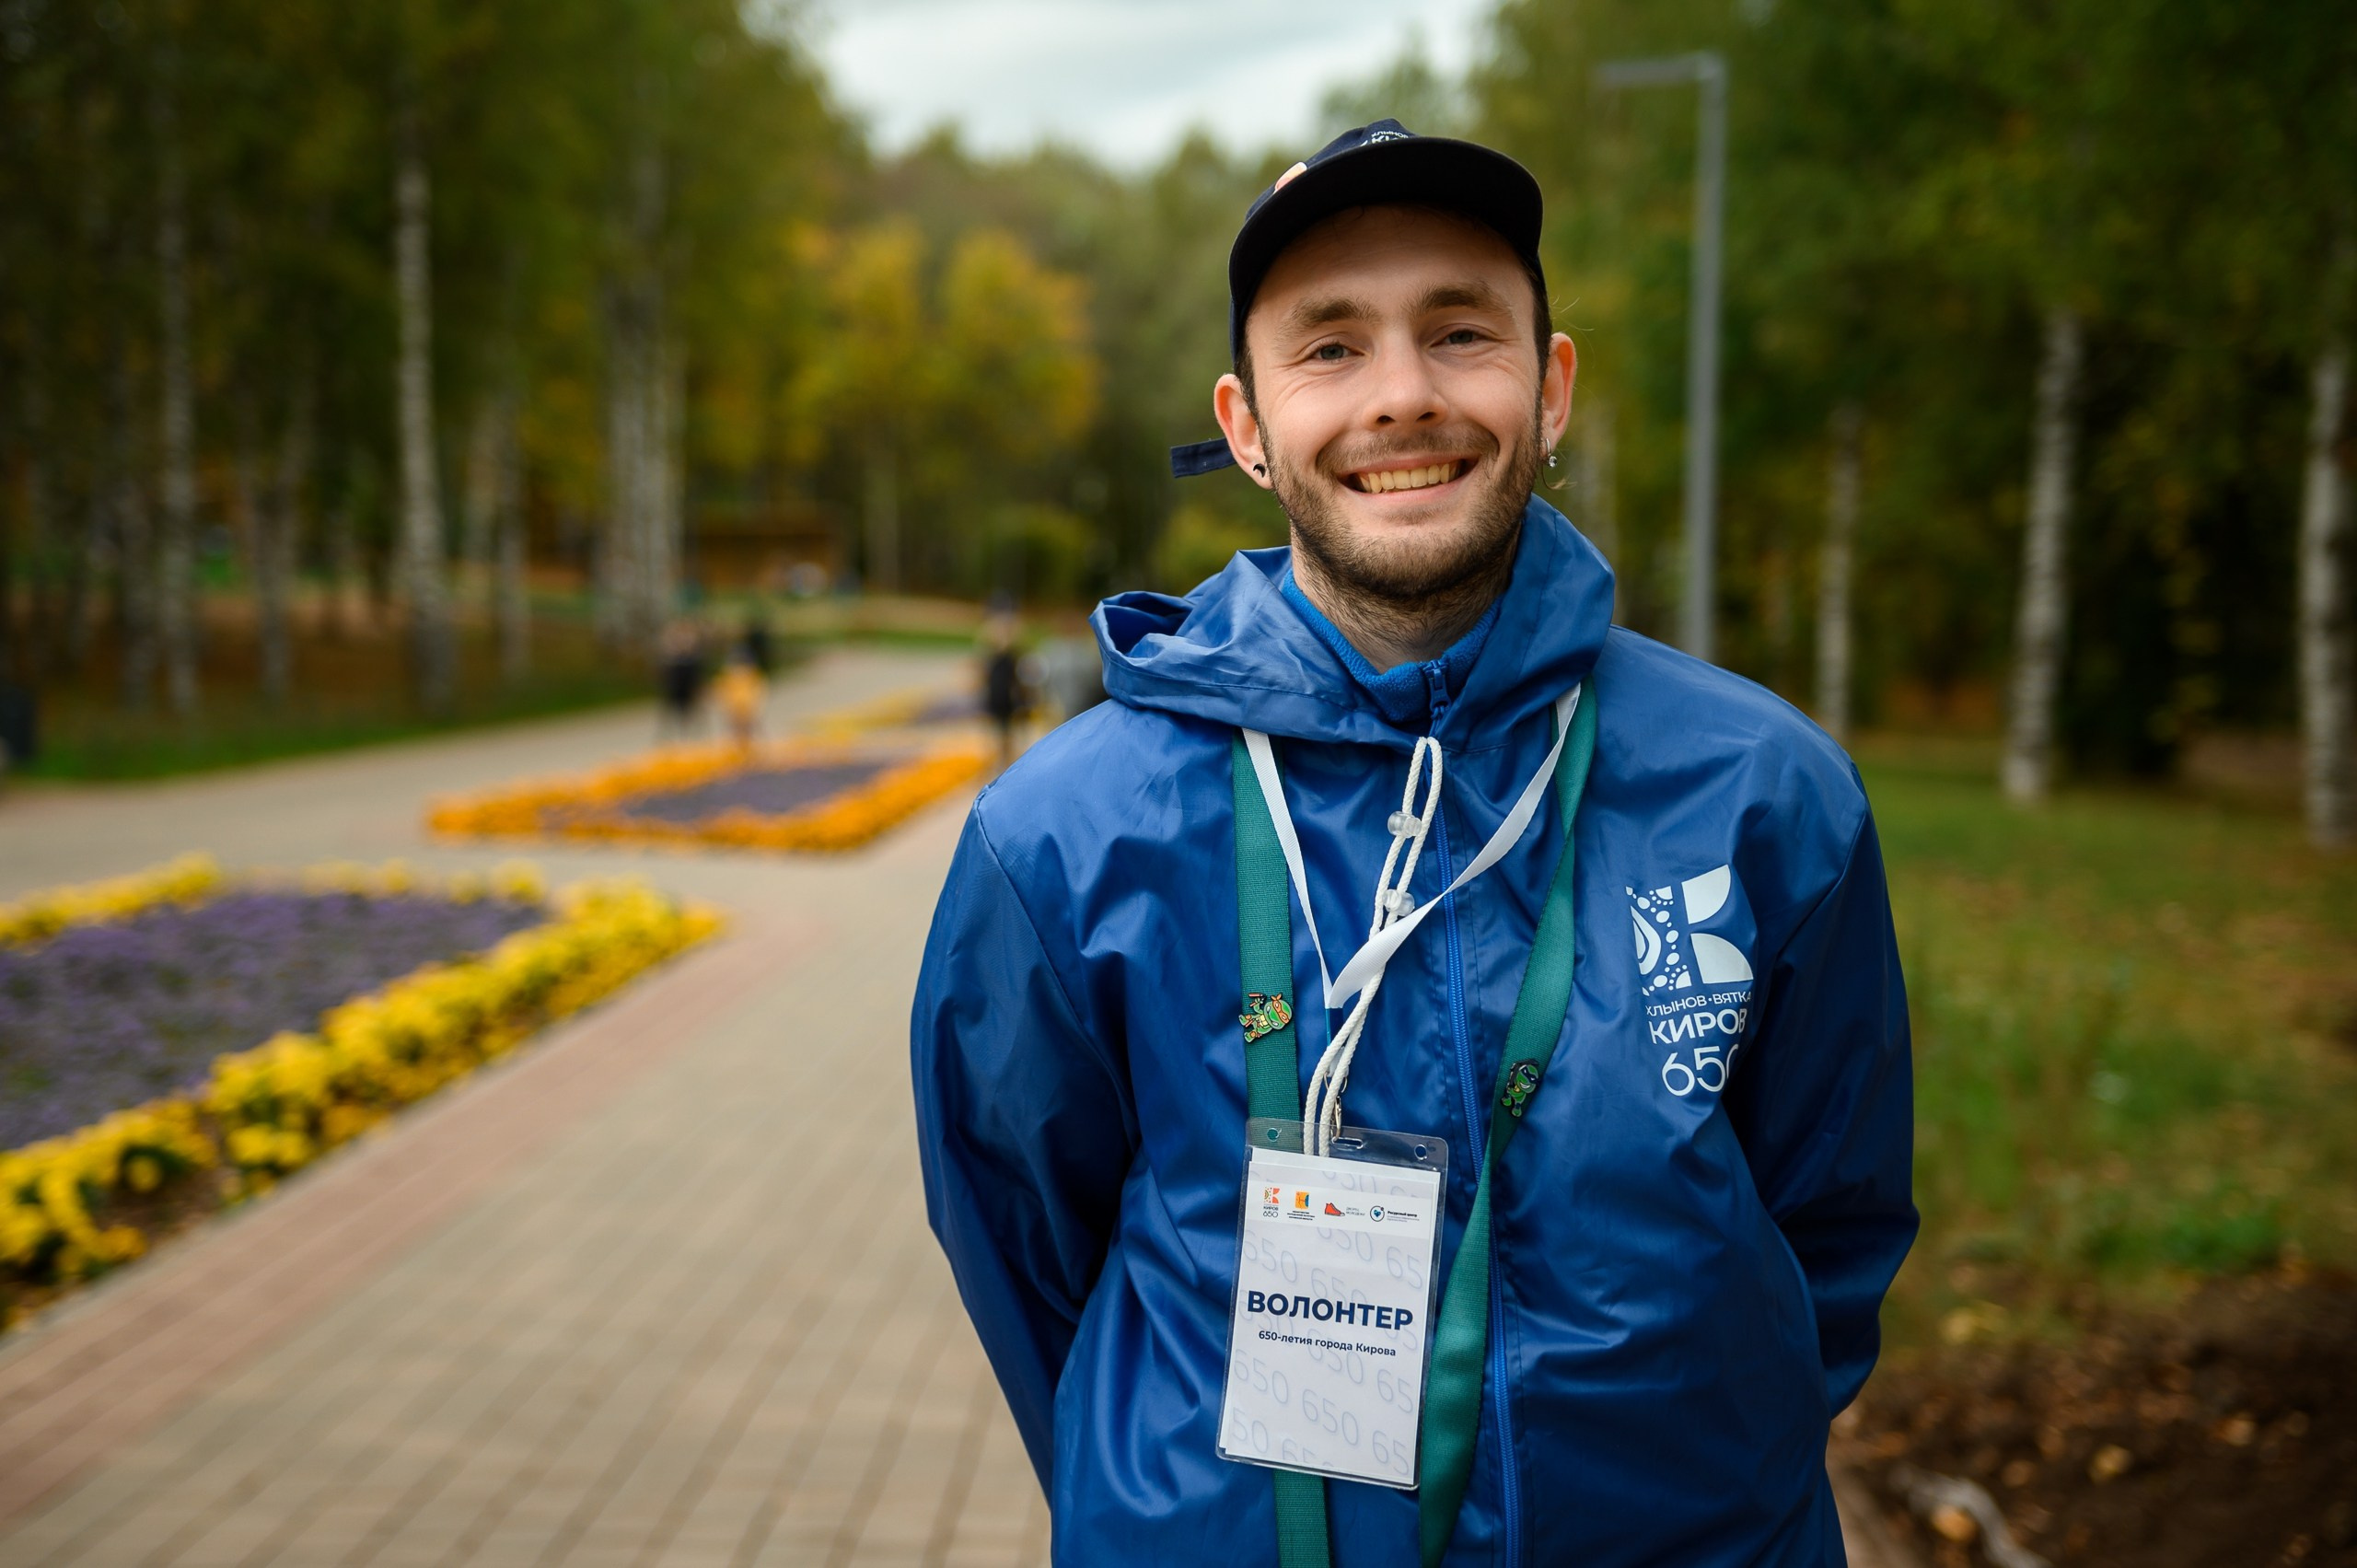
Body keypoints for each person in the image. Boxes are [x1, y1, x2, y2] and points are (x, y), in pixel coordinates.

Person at [911, 121, 1915, 1567]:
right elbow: (1024, 1254)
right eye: (1331, 347)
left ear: (1550, 389)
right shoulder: (1060, 837)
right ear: (1247, 427)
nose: (1403, 394)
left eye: (1460, 333)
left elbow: (1832, 1226)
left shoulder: (1762, 791)